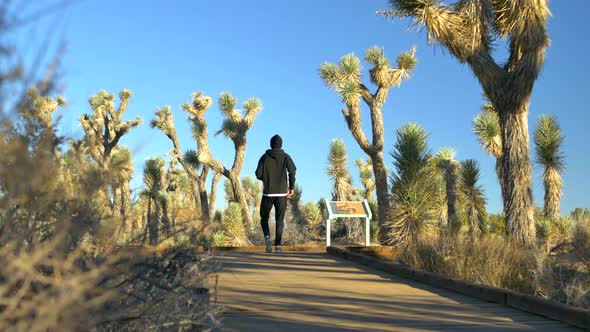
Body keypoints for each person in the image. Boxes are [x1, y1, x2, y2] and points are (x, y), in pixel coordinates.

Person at [255, 134, 296, 253]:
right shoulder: (286, 157)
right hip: (282, 194)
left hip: (268, 193)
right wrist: (291, 186)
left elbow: (258, 174)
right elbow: (292, 170)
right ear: (281, 144)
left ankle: (267, 237)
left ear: (271, 144)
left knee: (264, 218)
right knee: (279, 220)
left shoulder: (264, 157)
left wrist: (266, 179)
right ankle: (278, 246)